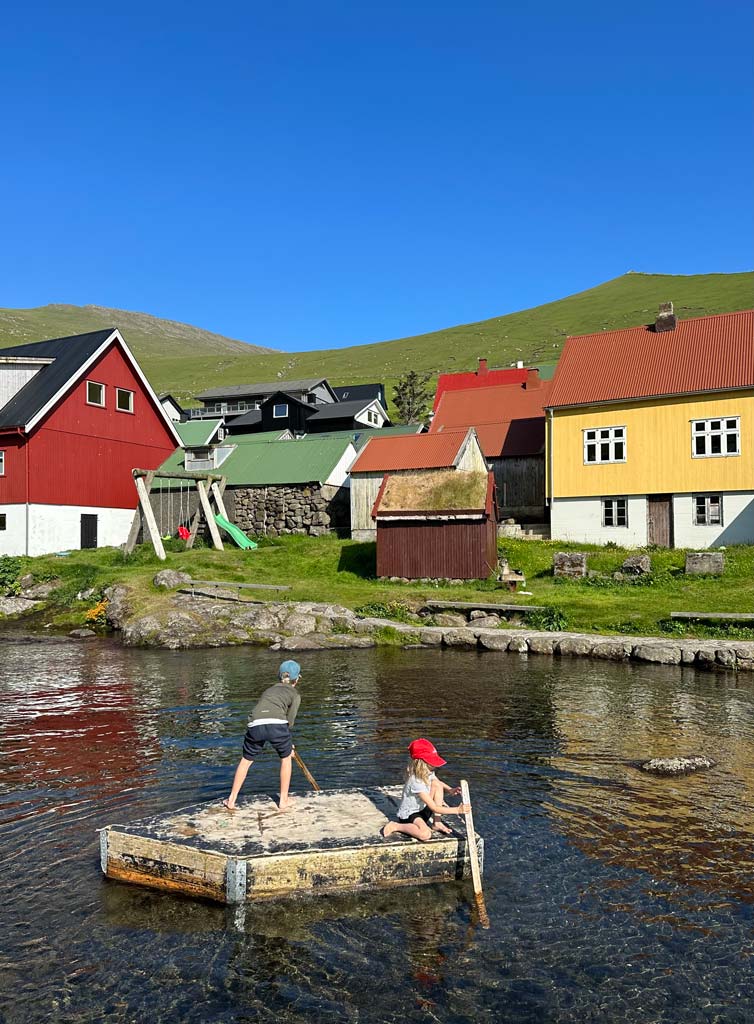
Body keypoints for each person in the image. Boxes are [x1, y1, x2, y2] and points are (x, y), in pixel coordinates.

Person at [223, 660, 302, 812]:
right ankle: (283, 800)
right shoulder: (295, 694)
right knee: (285, 759)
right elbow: (289, 722)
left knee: (246, 760)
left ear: (279, 676)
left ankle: (231, 800)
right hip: (277, 724)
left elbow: (261, 711)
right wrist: (287, 746)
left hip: (255, 724)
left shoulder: (269, 690)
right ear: (297, 679)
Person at [382, 738, 470, 841]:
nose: (435, 766)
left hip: (422, 809)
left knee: (436, 784)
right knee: (425, 835)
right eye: (432, 762)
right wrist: (457, 810)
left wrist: (450, 789)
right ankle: (396, 826)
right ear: (421, 763)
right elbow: (434, 808)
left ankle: (437, 822)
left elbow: (438, 782)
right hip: (410, 816)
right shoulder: (415, 781)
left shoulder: (428, 771)